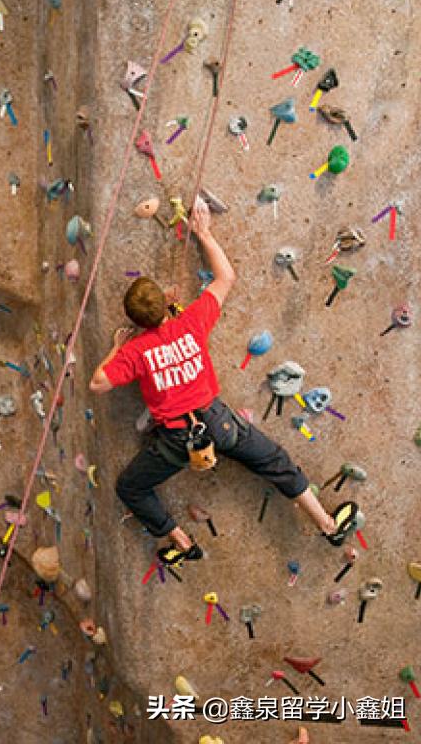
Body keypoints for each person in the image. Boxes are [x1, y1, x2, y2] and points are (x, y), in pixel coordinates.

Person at [88, 197, 361, 566]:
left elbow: (98, 383)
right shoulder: (191, 322)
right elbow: (226, 277)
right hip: (218, 422)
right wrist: (204, 233)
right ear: (167, 304)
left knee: (129, 486)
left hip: (174, 440)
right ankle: (328, 525)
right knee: (274, 461)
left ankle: (180, 541)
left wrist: (116, 347)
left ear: (136, 320)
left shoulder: (135, 352)